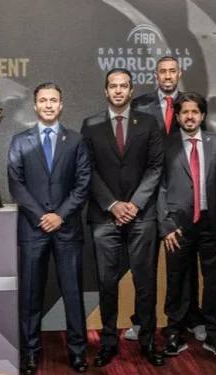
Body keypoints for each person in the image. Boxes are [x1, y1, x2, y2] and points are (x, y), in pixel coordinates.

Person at [81, 68, 165, 367]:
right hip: (104, 217)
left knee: (145, 283)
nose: (118, 91)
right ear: (106, 91)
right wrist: (113, 204)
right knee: (106, 282)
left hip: (142, 216)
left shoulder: (149, 122)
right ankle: (107, 342)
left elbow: (156, 167)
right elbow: (87, 170)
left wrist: (134, 205)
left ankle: (147, 341)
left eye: (124, 86)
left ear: (131, 91)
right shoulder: (90, 125)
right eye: (113, 86)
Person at [7, 82, 91, 375]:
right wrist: (43, 216)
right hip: (33, 229)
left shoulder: (76, 140)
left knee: (73, 293)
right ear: (35, 105)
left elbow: (82, 184)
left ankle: (78, 351)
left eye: (53, 100)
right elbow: (16, 185)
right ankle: (30, 352)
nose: (48, 105)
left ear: (61, 105)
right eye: (43, 100)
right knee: (31, 295)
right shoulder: (20, 141)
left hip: (67, 230)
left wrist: (60, 216)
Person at [131, 56, 207, 342]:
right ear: (155, 74)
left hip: (182, 196)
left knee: (185, 264)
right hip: (147, 195)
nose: (167, 75)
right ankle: (142, 322)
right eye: (162, 71)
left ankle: (190, 317)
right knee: (145, 266)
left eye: (172, 71)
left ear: (179, 73)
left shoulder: (191, 104)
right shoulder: (139, 105)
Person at [157, 92, 216, 358]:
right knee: (176, 280)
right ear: (177, 116)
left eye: (195, 112)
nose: (190, 116)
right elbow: (159, 187)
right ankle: (174, 332)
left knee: (214, 282)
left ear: (202, 115)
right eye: (184, 112)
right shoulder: (165, 144)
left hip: (212, 225)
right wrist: (165, 225)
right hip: (177, 227)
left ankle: (215, 334)